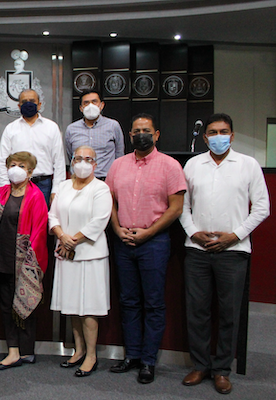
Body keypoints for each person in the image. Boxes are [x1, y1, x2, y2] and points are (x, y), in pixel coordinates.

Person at [179, 113, 270, 394]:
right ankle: (200, 365)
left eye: (224, 131)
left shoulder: (247, 165)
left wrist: (235, 235)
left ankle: (221, 370)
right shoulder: (193, 165)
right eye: (213, 132)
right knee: (197, 311)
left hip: (233, 250)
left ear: (232, 135)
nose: (219, 136)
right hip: (197, 249)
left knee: (229, 312)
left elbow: (262, 207)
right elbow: (182, 206)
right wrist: (193, 232)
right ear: (206, 138)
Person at [106, 113, 187, 384]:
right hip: (123, 241)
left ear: (156, 134)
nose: (141, 134)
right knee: (128, 301)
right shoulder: (117, 165)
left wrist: (149, 232)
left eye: (146, 130)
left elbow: (176, 208)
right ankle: (132, 355)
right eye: (137, 131)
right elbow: (110, 201)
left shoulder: (170, 166)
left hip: (154, 242)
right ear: (130, 136)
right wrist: (117, 228)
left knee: (153, 303)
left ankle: (148, 361)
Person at [49, 146, 112, 377]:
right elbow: (52, 215)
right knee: (72, 306)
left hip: (90, 254)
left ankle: (92, 356)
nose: (83, 163)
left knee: (88, 308)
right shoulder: (63, 186)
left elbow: (99, 220)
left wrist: (71, 241)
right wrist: (61, 236)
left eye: (88, 159)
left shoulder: (101, 188)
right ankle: (78, 350)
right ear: (72, 162)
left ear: (95, 164)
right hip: (66, 254)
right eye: (78, 159)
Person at [0, 151, 48, 370]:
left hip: (24, 260)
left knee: (25, 305)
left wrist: (29, 261)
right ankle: (13, 350)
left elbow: (40, 231)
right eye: (12, 165)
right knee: (6, 306)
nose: (16, 169)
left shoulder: (36, 196)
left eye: (21, 166)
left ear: (30, 171)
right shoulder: (1, 192)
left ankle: (27, 350)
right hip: (1, 257)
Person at [0, 89, 65, 206]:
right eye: (24, 102)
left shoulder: (51, 127)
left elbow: (59, 161)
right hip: (17, 184)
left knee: (41, 217)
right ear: (19, 106)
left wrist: (56, 190)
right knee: (18, 217)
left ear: (39, 104)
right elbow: (2, 161)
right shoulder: (10, 129)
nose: (28, 104)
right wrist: (4, 187)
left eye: (32, 101)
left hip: (44, 185)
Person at [63, 90, 124, 179]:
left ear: (101, 105)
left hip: (105, 179)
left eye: (94, 102)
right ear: (81, 108)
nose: (90, 106)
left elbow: (119, 155)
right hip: (79, 180)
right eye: (86, 103)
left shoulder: (113, 126)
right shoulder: (71, 129)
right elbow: (70, 155)